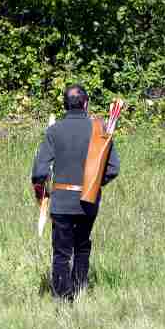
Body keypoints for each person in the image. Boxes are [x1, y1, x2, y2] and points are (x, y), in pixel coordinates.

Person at [31, 84, 120, 300]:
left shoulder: (54, 130)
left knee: (61, 253)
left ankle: (62, 299)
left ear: (65, 105)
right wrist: (94, 184)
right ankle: (79, 291)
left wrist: (42, 191)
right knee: (81, 247)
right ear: (86, 104)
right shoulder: (100, 130)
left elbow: (39, 172)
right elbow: (113, 169)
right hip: (88, 201)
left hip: (61, 202)